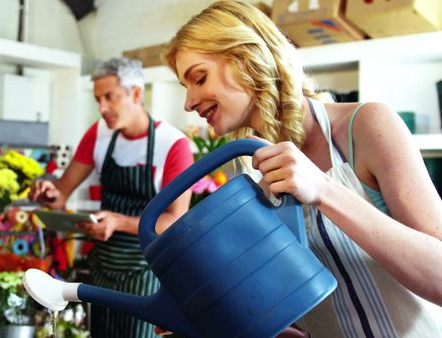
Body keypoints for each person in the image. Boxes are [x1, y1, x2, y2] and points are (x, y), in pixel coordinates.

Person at [157, 1, 442, 337]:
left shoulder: (366, 126)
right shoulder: (243, 169)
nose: (188, 102)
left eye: (199, 78)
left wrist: (323, 190)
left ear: (246, 59)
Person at [29, 57, 194, 338]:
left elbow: (174, 223)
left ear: (136, 94)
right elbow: (61, 195)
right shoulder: (98, 134)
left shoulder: (173, 146)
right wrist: (48, 191)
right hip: (103, 269)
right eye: (98, 100)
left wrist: (118, 222)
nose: (102, 108)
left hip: (145, 273)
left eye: (110, 97)